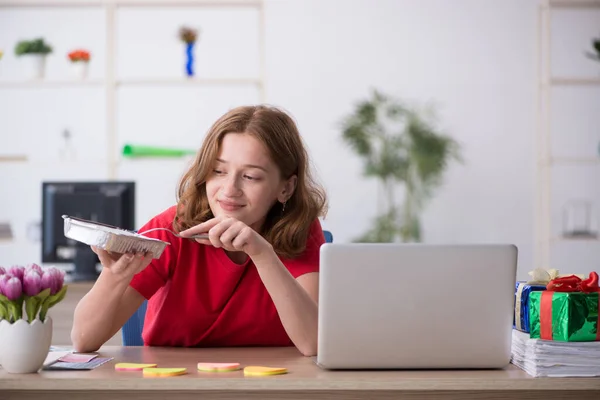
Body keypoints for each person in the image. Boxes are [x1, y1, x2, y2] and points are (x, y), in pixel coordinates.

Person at [71, 105, 328, 356]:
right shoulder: (170, 230)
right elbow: (84, 340)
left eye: (250, 176)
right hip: (175, 382)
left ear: (286, 188)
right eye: (218, 171)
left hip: (270, 384)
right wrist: (113, 276)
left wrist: (263, 255)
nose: (229, 190)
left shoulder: (299, 231)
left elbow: (313, 343)